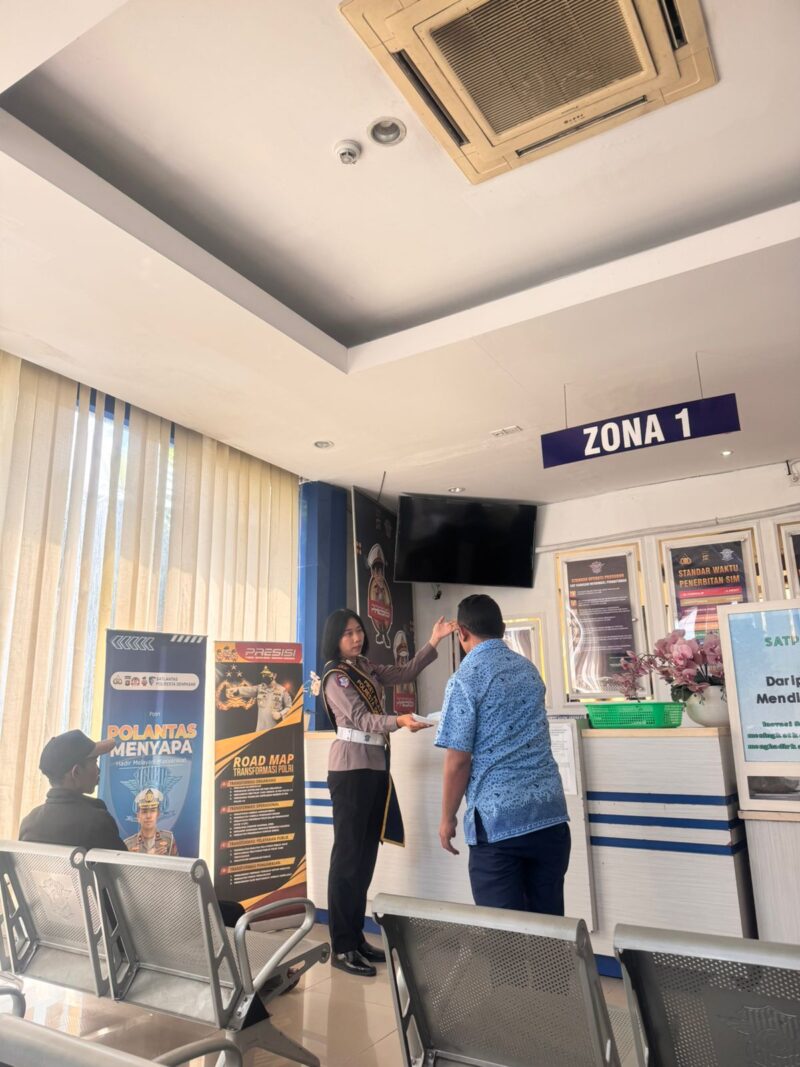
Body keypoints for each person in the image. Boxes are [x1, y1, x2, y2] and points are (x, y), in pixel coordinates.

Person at [321, 608, 456, 977]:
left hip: (375, 767)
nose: (356, 638)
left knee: (365, 857)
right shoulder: (337, 677)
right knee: (347, 860)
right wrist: (399, 720)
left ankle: (356, 937)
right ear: (335, 639)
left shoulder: (365, 667)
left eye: (358, 631)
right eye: (348, 633)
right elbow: (362, 720)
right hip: (350, 771)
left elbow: (405, 673)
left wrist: (434, 641)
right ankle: (342, 947)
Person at [436, 594, 570, 915]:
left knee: (503, 934)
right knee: (549, 927)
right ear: (503, 629)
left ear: (461, 633)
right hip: (550, 817)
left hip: (499, 825)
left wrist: (447, 818)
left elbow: (458, 761)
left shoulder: (465, 679)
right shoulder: (528, 670)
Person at [19, 729, 126, 849]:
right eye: (95, 762)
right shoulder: (98, 823)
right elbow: (123, 861)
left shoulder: (28, 823)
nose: (98, 770)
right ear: (76, 772)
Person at [234, 666, 292, 731]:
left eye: (268, 674)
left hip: (275, 729)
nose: (265, 676)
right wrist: (236, 691)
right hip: (260, 729)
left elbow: (289, 707)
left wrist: (280, 714)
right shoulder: (259, 688)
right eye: (264, 674)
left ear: (274, 675)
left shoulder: (282, 690)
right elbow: (249, 690)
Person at [123, 787, 179, 855]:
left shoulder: (169, 839)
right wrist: (149, 857)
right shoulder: (128, 845)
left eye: (152, 811)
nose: (148, 816)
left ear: (158, 814)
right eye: (144, 811)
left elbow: (175, 861)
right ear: (138, 816)